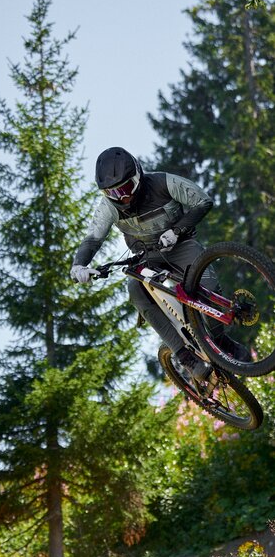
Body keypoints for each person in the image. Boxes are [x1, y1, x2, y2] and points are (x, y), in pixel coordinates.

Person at [71, 146, 234, 381]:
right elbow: (92, 239)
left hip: (181, 245)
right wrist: (79, 265)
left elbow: (202, 201)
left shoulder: (162, 182)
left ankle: (220, 340)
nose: (122, 198)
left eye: (125, 188)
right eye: (113, 194)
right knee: (135, 289)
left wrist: (177, 231)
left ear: (138, 176)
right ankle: (186, 359)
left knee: (208, 287)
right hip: (146, 258)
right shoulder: (108, 208)